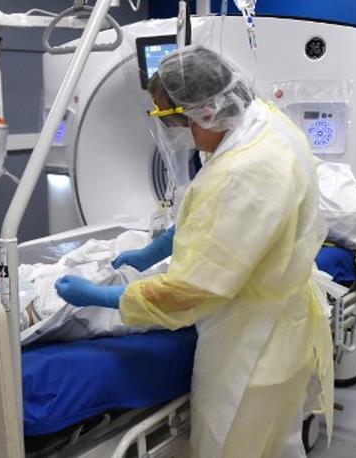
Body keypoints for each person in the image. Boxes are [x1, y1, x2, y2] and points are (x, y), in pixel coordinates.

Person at [55, 46, 334, 458]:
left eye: (173, 120)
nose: (175, 132)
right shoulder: (264, 124)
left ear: (206, 111)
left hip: (250, 342)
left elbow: (190, 290)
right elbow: (218, 222)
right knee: (275, 442)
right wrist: (153, 251)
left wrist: (103, 296)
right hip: (279, 317)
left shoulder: (244, 172)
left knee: (232, 442)